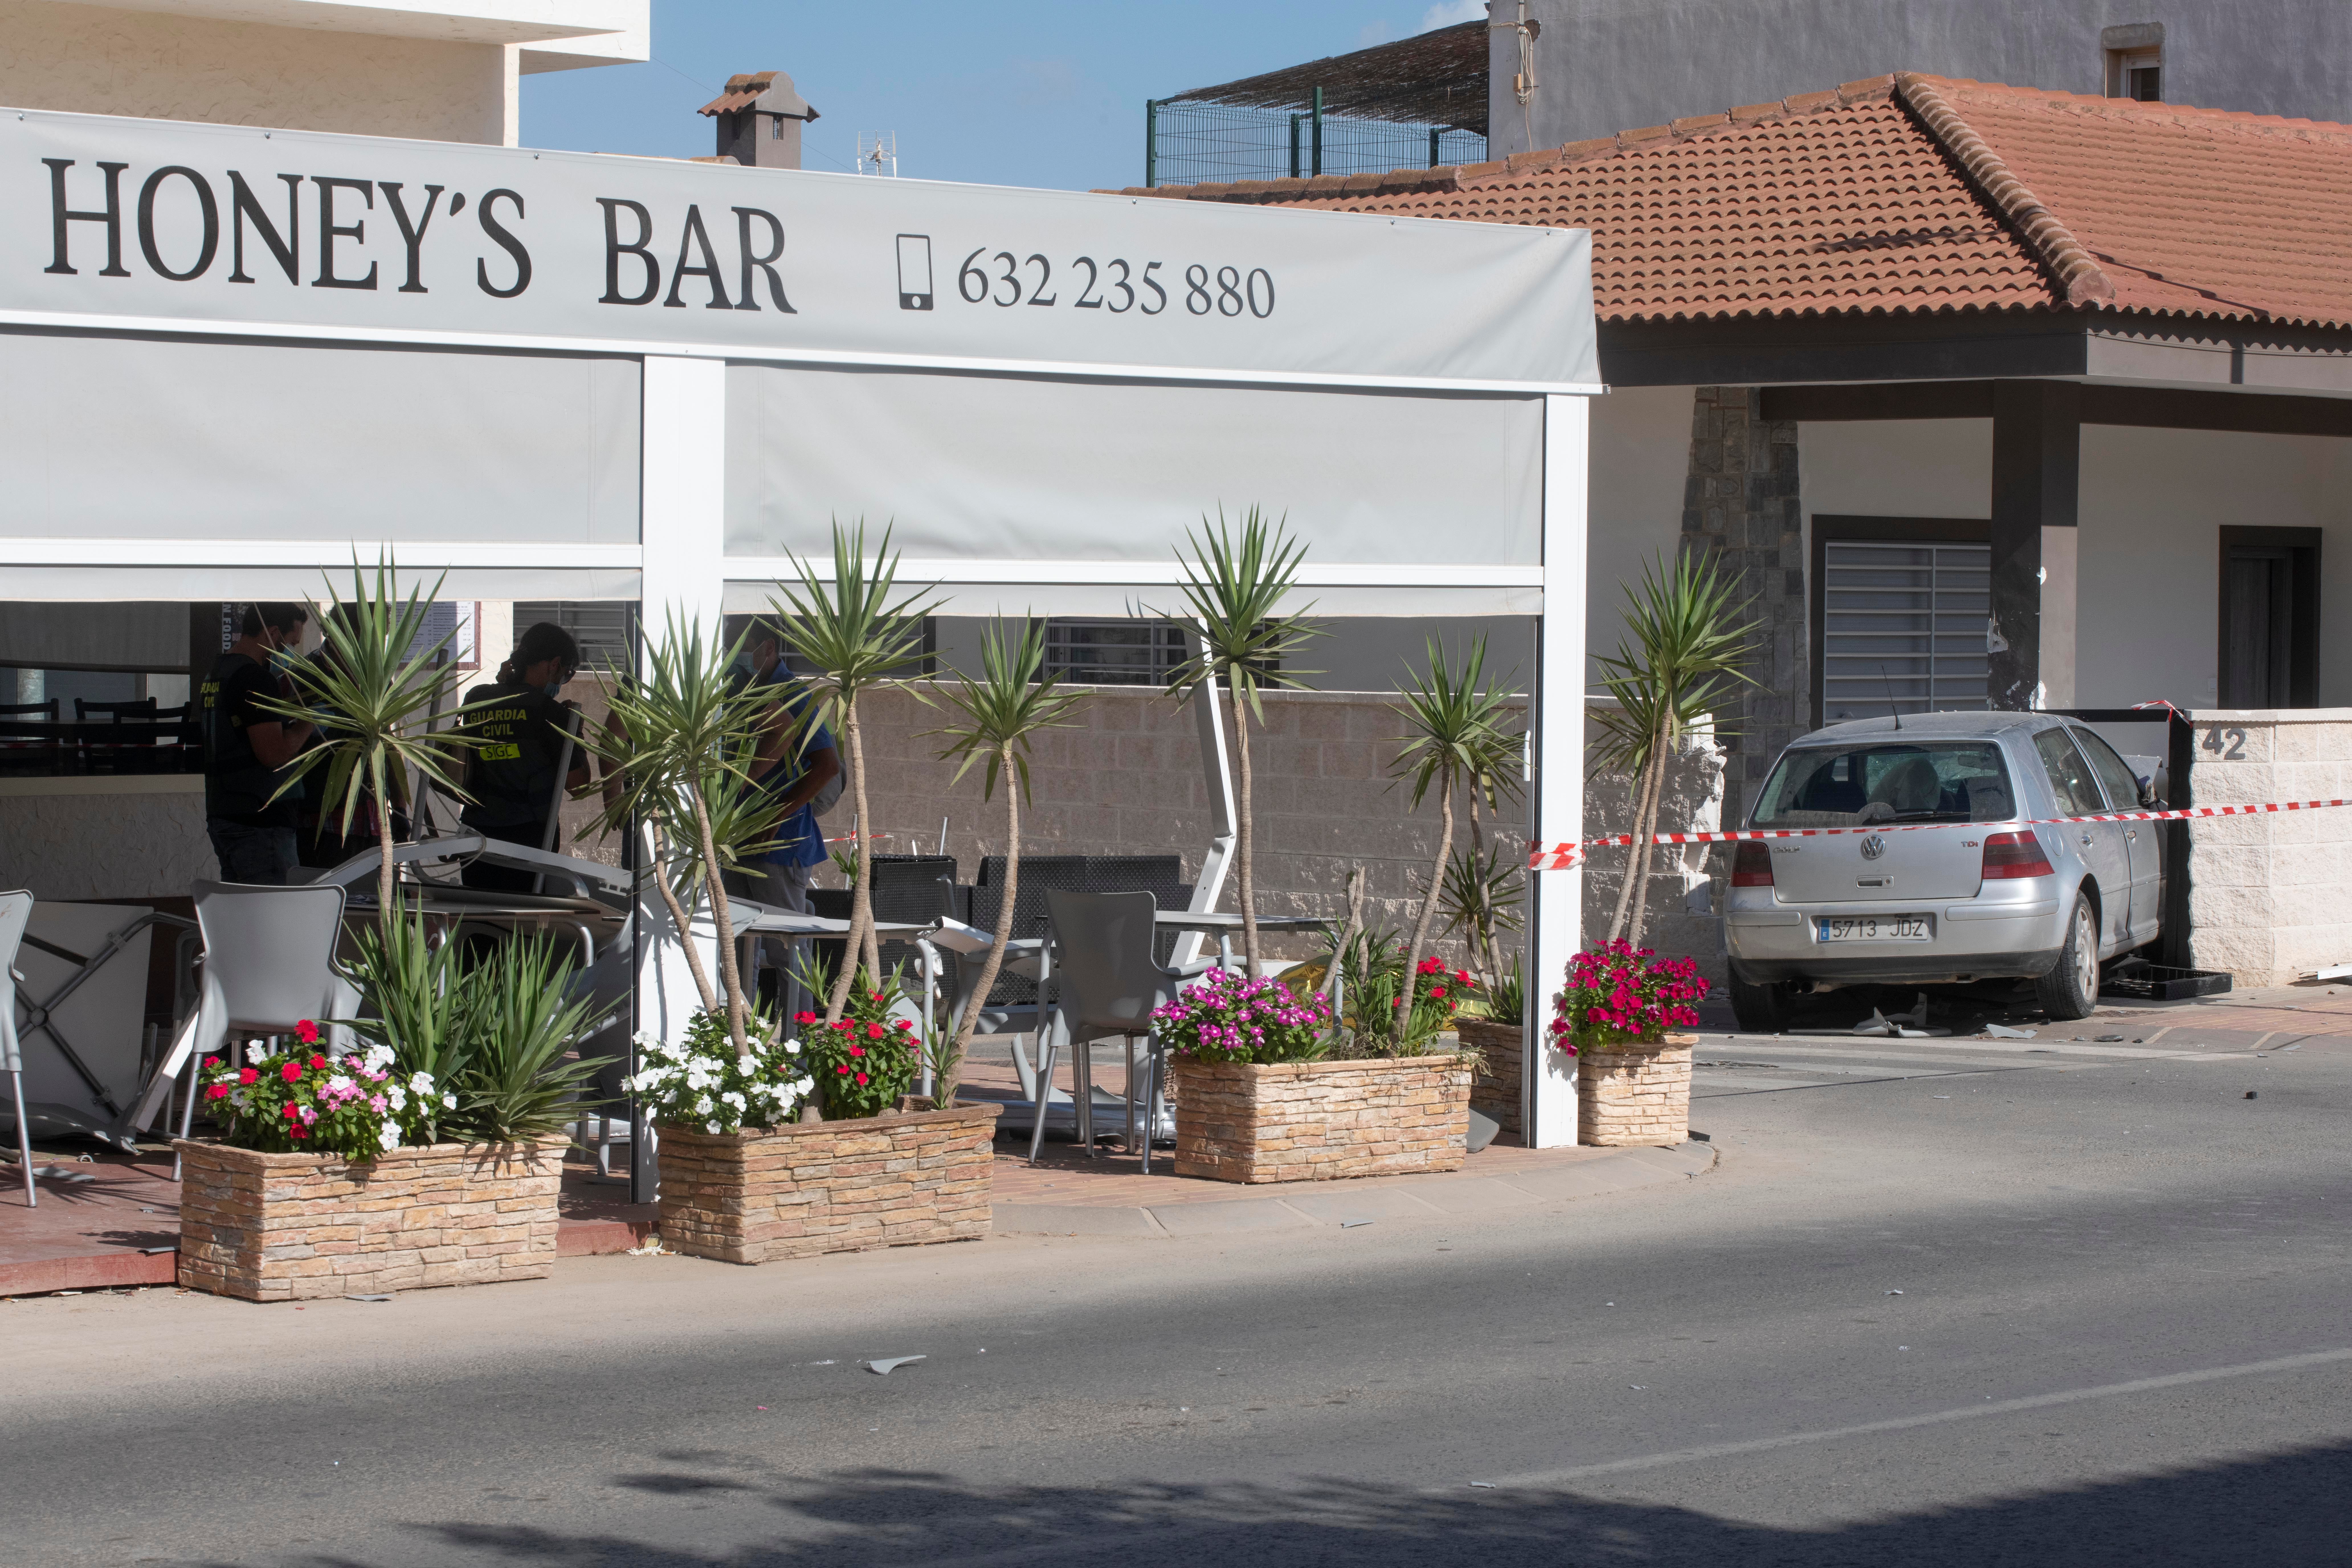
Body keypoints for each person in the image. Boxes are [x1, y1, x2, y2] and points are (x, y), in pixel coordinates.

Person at [728, 625, 841, 1003]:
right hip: (737, 839)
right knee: (736, 945)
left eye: (738, 648)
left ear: (768, 648)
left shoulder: (791, 695)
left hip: (779, 844)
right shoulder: (740, 689)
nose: (732, 657)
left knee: (787, 949)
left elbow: (827, 766)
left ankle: (804, 1046)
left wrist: (775, 816)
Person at [455, 622, 591, 893]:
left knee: (478, 922)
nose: (562, 683)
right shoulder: (552, 714)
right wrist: (575, 731)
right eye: (566, 674)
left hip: (475, 837)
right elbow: (579, 785)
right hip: (529, 840)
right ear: (554, 664)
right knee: (521, 929)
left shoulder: (476, 699)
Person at [199, 602, 315, 885]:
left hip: (225, 812)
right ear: (274, 633)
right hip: (260, 822)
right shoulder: (255, 678)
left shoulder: (216, 672)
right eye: (290, 643)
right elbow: (273, 753)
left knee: (244, 914)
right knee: (275, 916)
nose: (291, 652)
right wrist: (309, 722)